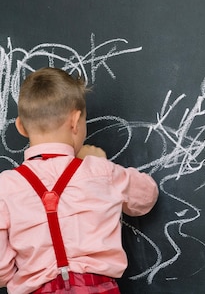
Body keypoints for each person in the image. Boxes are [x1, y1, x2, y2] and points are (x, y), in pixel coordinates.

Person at [0, 67, 159, 294]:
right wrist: (100, 162)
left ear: (21, 126)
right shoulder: (99, 171)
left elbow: (1, 272)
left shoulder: (5, 187)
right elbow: (146, 196)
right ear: (75, 121)